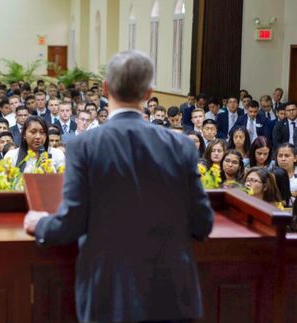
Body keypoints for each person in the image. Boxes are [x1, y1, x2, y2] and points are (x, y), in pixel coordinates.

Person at [23, 50, 213, 322]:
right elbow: (202, 223)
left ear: (105, 88)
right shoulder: (180, 145)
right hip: (171, 292)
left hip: (110, 296)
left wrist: (40, 224)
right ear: (149, 93)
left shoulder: (84, 145)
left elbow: (72, 222)